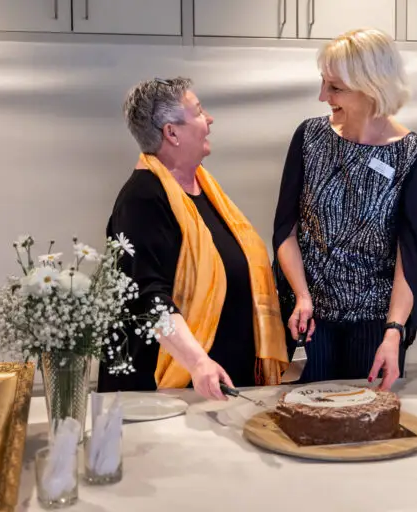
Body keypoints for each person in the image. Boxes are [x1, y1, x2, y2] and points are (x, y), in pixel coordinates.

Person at [97, 77, 289, 400]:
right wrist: (199, 363)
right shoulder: (142, 198)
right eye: (199, 112)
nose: (209, 120)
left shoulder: (203, 189)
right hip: (167, 393)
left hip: (218, 384)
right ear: (171, 133)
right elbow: (148, 298)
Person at [272, 28, 417, 391]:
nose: (322, 96)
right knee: (303, 418)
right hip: (309, 317)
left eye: (335, 87)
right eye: (323, 83)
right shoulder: (309, 137)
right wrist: (301, 295)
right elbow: (285, 230)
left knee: (366, 425)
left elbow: (409, 257)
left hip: (374, 323)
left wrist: (393, 333)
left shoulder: (413, 156)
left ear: (371, 86)